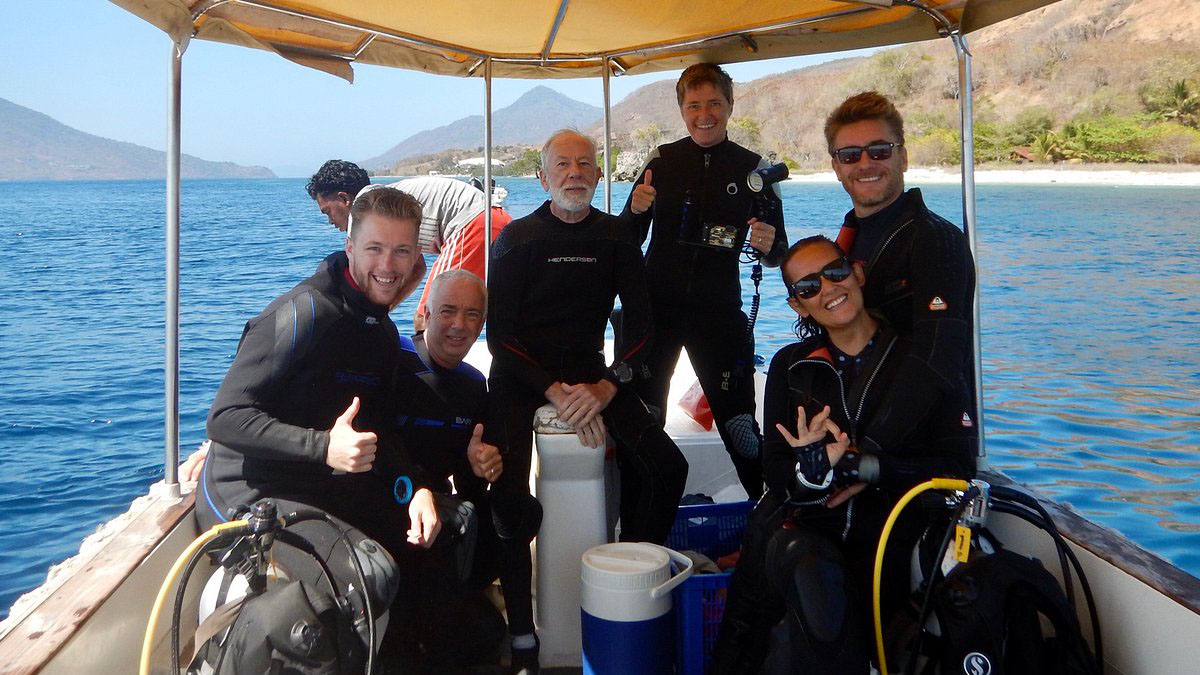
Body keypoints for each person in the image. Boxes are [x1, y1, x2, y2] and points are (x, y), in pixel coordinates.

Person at [196, 187, 441, 667]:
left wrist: (416, 489)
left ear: (417, 256)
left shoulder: (381, 333)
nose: (387, 265)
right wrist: (324, 446)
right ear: (350, 247)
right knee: (368, 577)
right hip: (248, 490)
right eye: (374, 248)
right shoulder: (301, 314)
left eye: (401, 251)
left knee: (438, 536)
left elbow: (380, 433)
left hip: (315, 487)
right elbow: (224, 417)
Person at [710, 235, 977, 674]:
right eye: (808, 287)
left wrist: (862, 465)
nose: (828, 289)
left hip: (893, 539)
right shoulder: (790, 367)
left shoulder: (919, 361)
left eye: (834, 273)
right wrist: (812, 471)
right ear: (798, 305)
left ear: (858, 273)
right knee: (803, 559)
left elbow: (958, 471)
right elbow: (777, 475)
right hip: (810, 540)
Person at [486, 129, 689, 674]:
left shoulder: (616, 236)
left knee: (668, 466)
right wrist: (550, 390)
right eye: (562, 165)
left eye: (584, 165)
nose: (574, 173)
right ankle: (522, 632)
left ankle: (631, 569)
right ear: (542, 176)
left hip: (589, 371)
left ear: (600, 176)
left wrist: (609, 385)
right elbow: (498, 335)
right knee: (507, 498)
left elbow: (643, 327)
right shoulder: (519, 239)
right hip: (519, 373)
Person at [620, 62, 788, 499]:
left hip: (719, 319)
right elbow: (626, 239)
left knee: (740, 428)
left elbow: (779, 254)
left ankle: (767, 520)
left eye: (714, 102)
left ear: (730, 106)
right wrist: (636, 210)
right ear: (681, 110)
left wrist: (769, 245)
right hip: (656, 315)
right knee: (645, 419)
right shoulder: (662, 160)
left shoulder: (754, 170)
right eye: (694, 105)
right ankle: (638, 527)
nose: (704, 113)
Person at [387, 269, 538, 672]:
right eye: (448, 311)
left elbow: (470, 487)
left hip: (439, 514)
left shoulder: (474, 387)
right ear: (426, 313)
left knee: (524, 511)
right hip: (387, 506)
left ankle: (456, 606)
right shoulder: (392, 363)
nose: (459, 325)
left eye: (472, 315)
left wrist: (478, 464)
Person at [824, 91, 977, 458]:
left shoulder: (935, 240)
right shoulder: (846, 244)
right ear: (837, 167)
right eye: (850, 155)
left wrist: (870, 449)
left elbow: (937, 359)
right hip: (857, 435)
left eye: (879, 150)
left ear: (903, 157)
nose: (865, 163)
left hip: (920, 454)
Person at [305, 160, 513, 328]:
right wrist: (383, 310)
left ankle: (433, 379)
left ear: (344, 199)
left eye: (328, 212)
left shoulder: (366, 205)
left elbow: (358, 277)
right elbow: (417, 268)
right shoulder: (386, 199)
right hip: (498, 220)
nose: (330, 222)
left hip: (474, 224)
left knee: (429, 318)